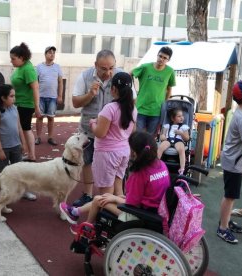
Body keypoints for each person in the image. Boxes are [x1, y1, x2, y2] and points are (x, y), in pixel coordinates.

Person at [60, 131, 170, 226]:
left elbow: (132, 204)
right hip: (155, 209)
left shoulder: (139, 174)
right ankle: (75, 212)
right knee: (105, 197)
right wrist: (119, 197)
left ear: (134, 153)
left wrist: (116, 199)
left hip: (139, 214)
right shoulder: (161, 165)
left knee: (99, 200)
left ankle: (86, 227)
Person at [71, 50, 137, 207]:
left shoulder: (122, 78)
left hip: (111, 139)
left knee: (106, 183)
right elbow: (75, 103)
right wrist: (90, 94)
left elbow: (131, 101)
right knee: (87, 161)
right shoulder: (85, 76)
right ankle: (89, 195)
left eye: (111, 68)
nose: (108, 72)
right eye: (103, 68)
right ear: (95, 65)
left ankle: (106, 208)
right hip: (89, 131)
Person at [217, 80, 242, 244]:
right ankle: (222, 228)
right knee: (230, 196)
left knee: (231, 195)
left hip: (234, 161)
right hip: (234, 163)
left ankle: (225, 221)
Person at [88, 72, 137, 196]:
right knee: (118, 187)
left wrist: (93, 123)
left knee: (106, 194)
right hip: (123, 151)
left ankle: (105, 215)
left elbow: (100, 133)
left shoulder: (110, 108)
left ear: (113, 88)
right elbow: (133, 131)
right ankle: (120, 214)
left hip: (107, 154)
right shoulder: (133, 109)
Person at [0, 84, 35, 201]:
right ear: (3, 98)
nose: (14, 98)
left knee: (20, 171)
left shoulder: (14, 108)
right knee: (4, 174)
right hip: (3, 148)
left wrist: (23, 143)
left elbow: (19, 127)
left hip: (15, 146)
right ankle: (3, 197)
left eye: (14, 96)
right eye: (11, 96)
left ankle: (23, 191)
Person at [132, 46, 176, 135]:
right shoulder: (145, 67)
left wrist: (165, 104)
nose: (161, 59)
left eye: (165, 58)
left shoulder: (170, 71)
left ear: (168, 60)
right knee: (136, 137)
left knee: (150, 138)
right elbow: (129, 74)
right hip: (140, 108)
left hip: (157, 111)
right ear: (157, 55)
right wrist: (133, 94)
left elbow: (169, 89)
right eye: (160, 56)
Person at [10, 42, 41, 164]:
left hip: (26, 105)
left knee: (26, 128)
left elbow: (35, 88)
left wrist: (37, 107)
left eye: (13, 58)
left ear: (21, 58)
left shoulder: (28, 68)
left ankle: (31, 155)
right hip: (18, 103)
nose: (11, 61)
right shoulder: (20, 67)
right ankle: (28, 153)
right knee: (22, 129)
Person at [35, 46, 63, 146]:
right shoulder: (38, 67)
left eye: (54, 53)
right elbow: (35, 82)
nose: (52, 54)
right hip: (41, 97)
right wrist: (35, 97)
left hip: (52, 97)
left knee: (51, 118)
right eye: (50, 52)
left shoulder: (57, 67)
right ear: (45, 54)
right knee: (39, 117)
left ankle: (50, 137)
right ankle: (38, 137)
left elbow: (60, 82)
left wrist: (60, 96)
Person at [157, 108, 190, 175]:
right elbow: (162, 135)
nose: (182, 118)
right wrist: (162, 136)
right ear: (173, 118)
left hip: (179, 140)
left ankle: (182, 168)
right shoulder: (167, 126)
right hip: (168, 139)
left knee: (181, 149)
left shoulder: (184, 127)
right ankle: (155, 164)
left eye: (182, 116)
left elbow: (187, 138)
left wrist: (181, 133)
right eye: (179, 116)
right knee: (160, 147)